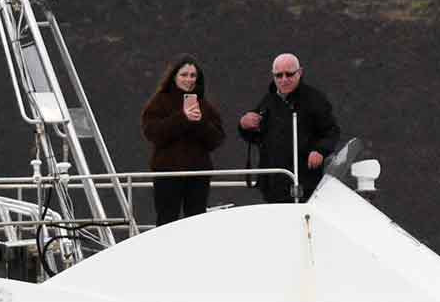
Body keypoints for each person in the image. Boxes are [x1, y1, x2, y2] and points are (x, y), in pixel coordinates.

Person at [238, 52, 341, 204]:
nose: (284, 80)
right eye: (278, 75)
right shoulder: (268, 101)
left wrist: (320, 150)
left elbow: (332, 131)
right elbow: (256, 137)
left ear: (300, 73)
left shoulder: (314, 99)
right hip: (273, 181)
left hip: (304, 180)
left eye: (289, 74)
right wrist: (244, 125)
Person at [140, 56, 227, 228]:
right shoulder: (159, 103)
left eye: (193, 75)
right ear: (174, 76)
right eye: (184, 75)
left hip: (198, 174)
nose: (189, 79)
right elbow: (153, 133)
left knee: (196, 222)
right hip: (168, 173)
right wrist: (182, 118)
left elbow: (217, 139)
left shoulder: (205, 106)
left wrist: (200, 122)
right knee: (166, 221)